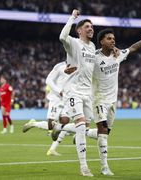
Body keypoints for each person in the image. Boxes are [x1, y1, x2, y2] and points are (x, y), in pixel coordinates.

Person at [92, 28, 141, 175]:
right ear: (101, 41)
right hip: (98, 99)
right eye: (109, 38)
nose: (113, 40)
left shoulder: (118, 54)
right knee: (102, 132)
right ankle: (104, 167)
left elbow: (134, 47)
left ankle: (76, 131)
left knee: (105, 133)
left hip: (113, 101)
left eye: (113, 38)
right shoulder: (94, 56)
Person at [59, 9, 96, 177]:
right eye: (87, 26)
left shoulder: (93, 46)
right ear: (79, 30)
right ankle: (83, 166)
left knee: (85, 127)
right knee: (81, 127)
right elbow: (62, 37)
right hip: (74, 91)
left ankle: (62, 128)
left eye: (92, 27)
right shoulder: (74, 43)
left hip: (88, 93)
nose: (91, 29)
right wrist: (72, 17)